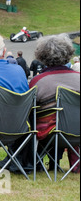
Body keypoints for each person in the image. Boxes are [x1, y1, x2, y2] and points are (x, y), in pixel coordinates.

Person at [28, 34, 80, 173]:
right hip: (77, 130)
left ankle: (35, 162)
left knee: (39, 118)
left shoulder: (38, 81)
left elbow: (29, 109)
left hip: (49, 133)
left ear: (42, 55)